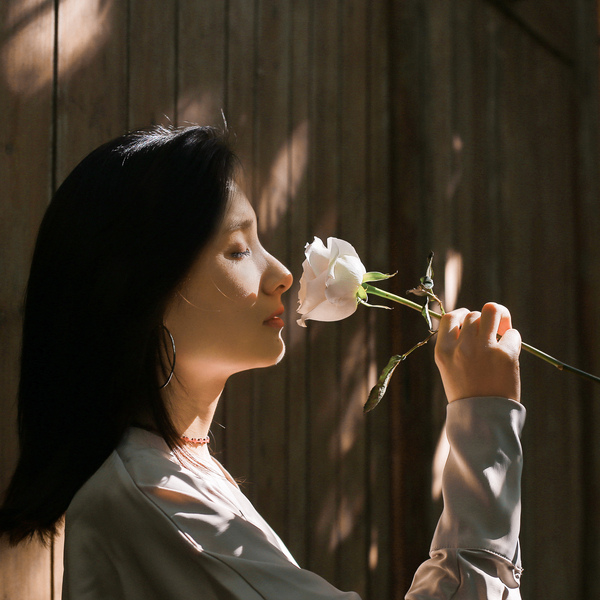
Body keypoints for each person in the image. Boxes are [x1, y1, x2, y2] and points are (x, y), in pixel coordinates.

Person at [0, 125, 525, 599]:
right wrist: (485, 419)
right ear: (143, 291)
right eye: (237, 249)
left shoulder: (174, 472)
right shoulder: (155, 499)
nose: (282, 274)